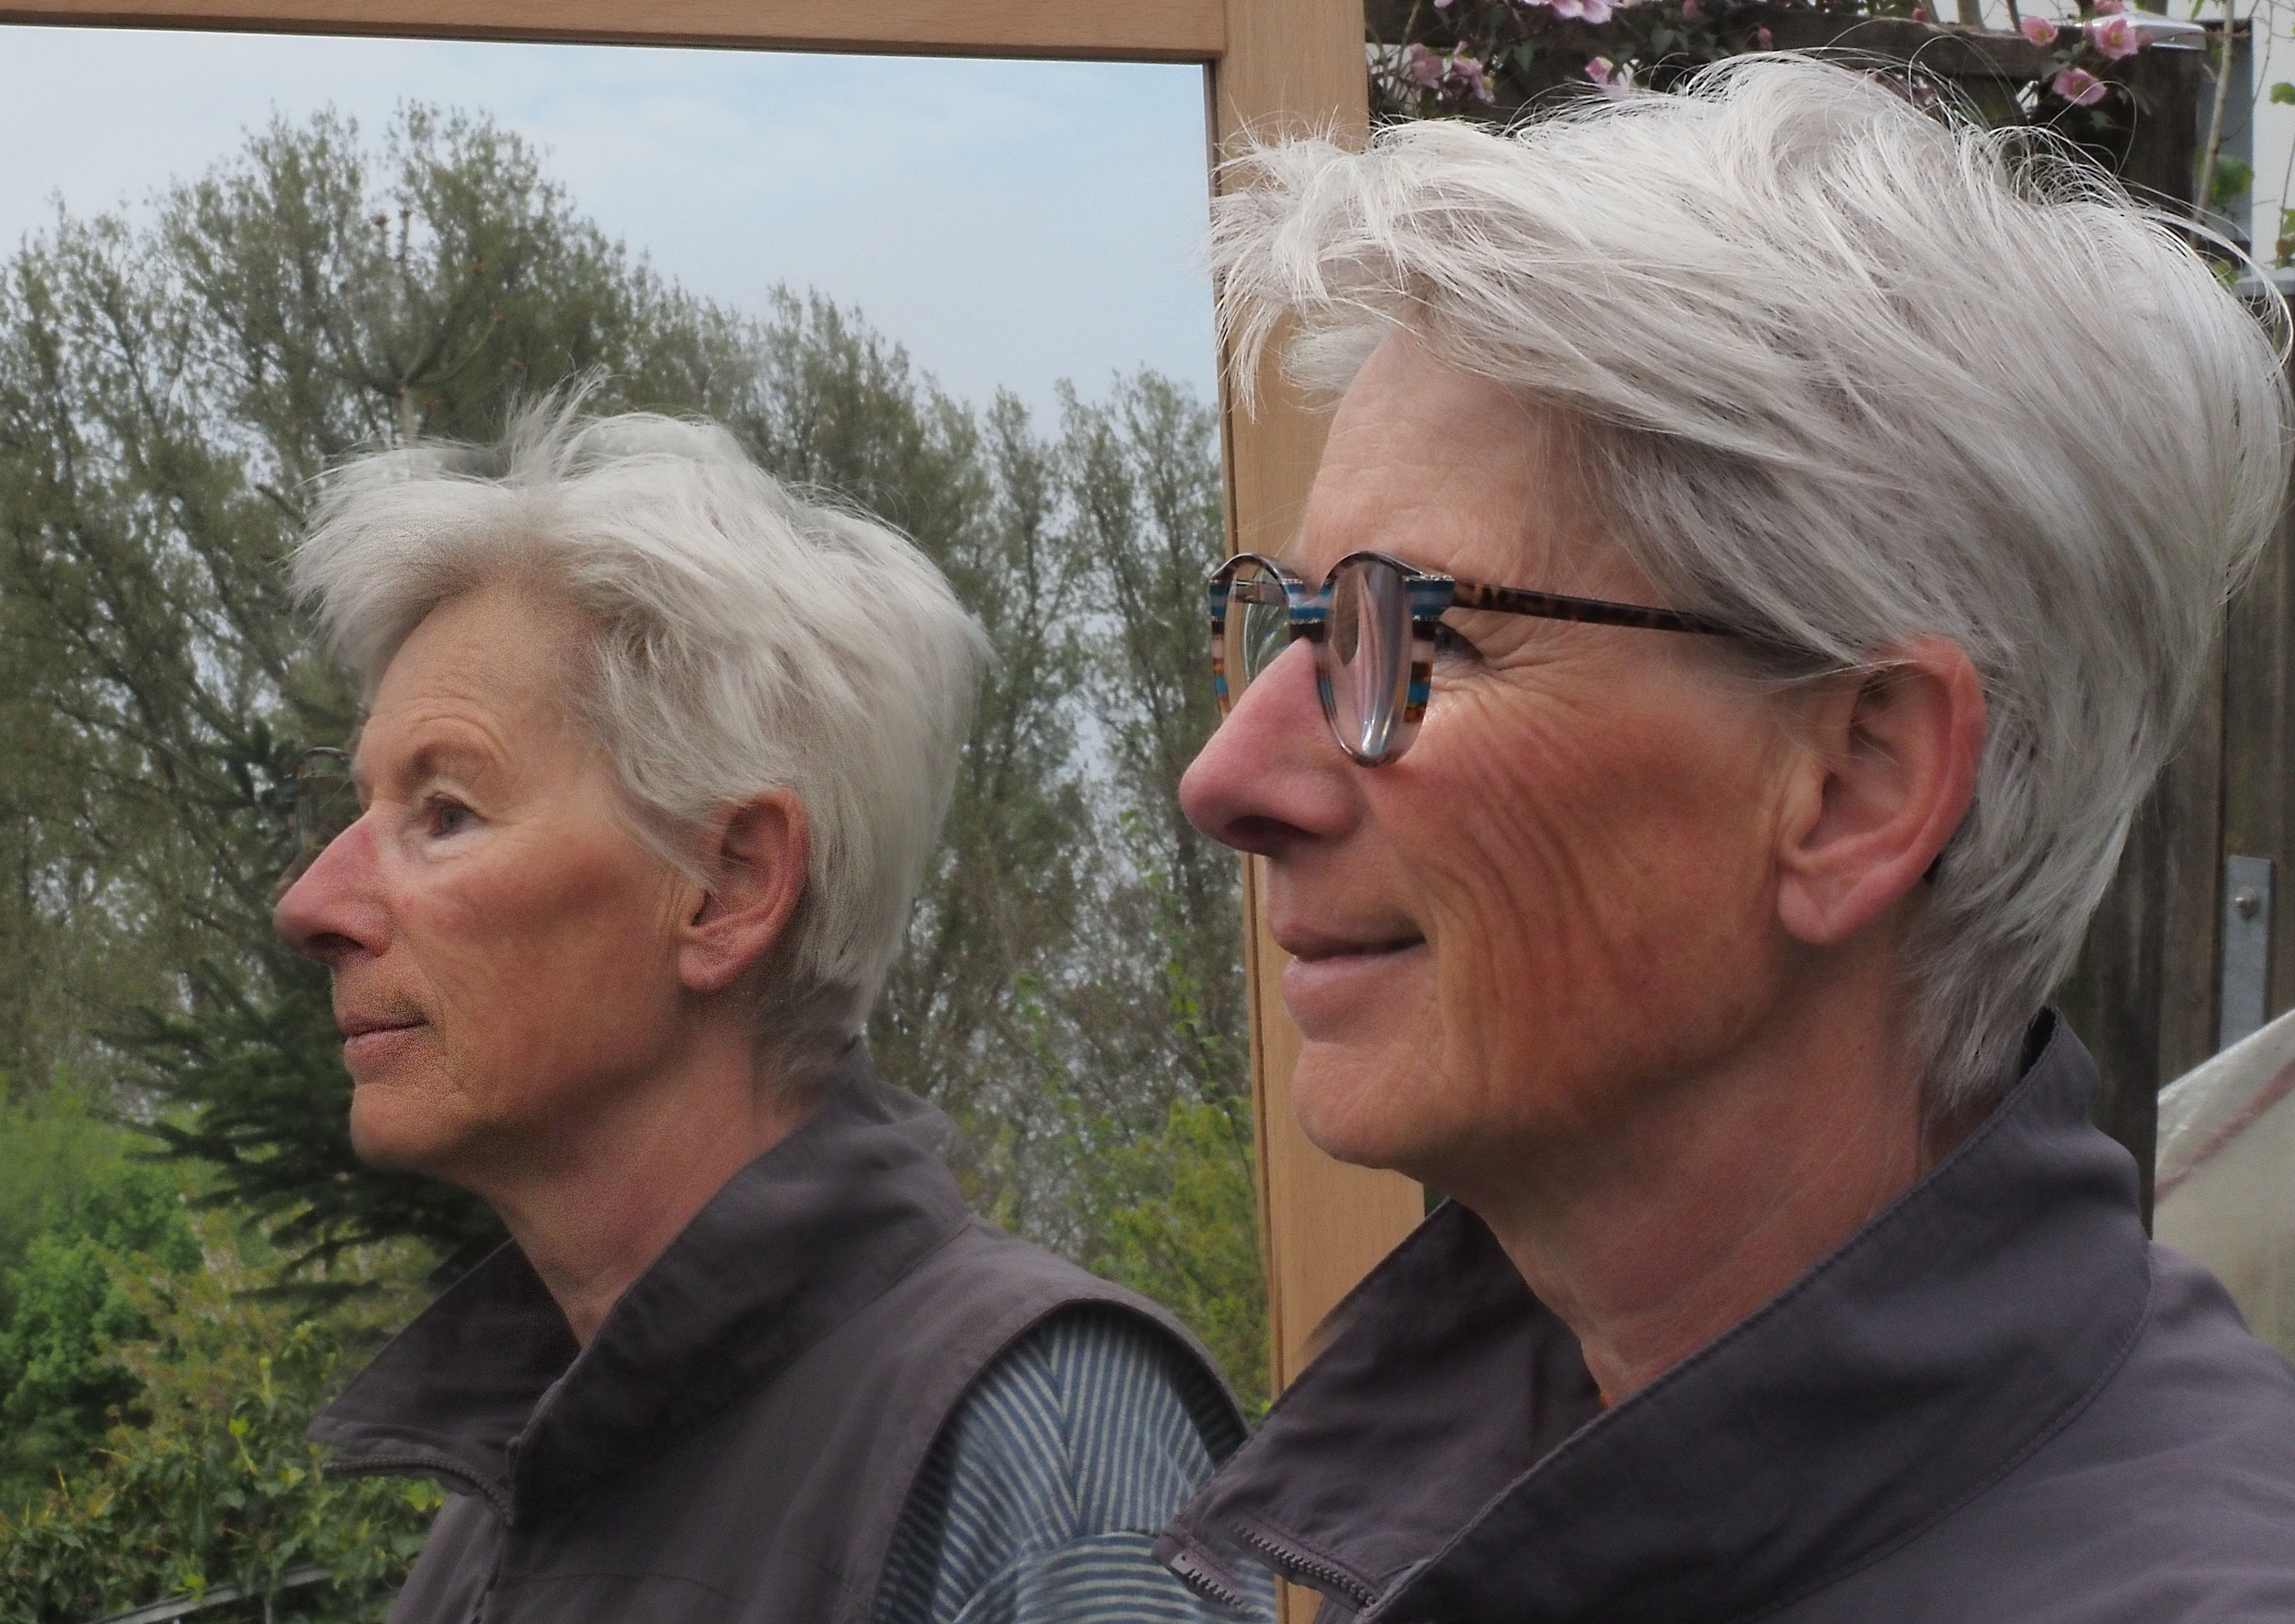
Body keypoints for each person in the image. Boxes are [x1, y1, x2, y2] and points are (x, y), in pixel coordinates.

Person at [1155, 55, 2295, 1623]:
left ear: (1856, 785)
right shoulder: (1506, 1501)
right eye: (1292, 624)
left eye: (1419, 637)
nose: (1228, 779)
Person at [273, 401, 1271, 1624]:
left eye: (445, 814)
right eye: (363, 808)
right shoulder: (501, 1512)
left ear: (728, 887)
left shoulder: (1040, 1441)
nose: (313, 903)